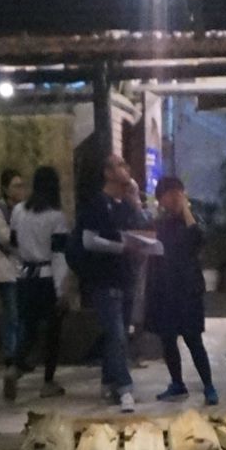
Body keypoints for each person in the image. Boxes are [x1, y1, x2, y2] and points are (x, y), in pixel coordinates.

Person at [73, 153, 150, 410]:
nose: (126, 168)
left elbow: (144, 226)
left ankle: (108, 381)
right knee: (116, 334)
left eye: (126, 165)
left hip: (126, 276)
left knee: (117, 334)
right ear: (107, 173)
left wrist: (135, 199)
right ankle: (125, 387)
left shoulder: (126, 204)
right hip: (104, 279)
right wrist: (121, 248)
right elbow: (88, 240)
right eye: (120, 165)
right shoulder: (97, 204)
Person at [145, 175, 218, 406]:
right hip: (164, 288)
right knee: (168, 338)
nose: (175, 198)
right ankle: (177, 383)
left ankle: (209, 385)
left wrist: (186, 210)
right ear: (161, 199)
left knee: (193, 339)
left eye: (178, 193)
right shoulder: (158, 224)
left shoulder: (192, 220)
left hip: (188, 289)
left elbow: (198, 238)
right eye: (170, 194)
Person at [4, 164, 70, 401]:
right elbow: (59, 255)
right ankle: (48, 382)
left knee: (28, 328)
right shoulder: (56, 217)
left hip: (24, 277)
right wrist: (61, 290)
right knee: (52, 333)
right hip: (46, 278)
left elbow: (13, 242)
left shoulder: (19, 211)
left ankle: (15, 367)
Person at [0, 167, 25, 366]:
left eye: (21, 186)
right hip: (6, 267)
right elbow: (4, 237)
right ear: (5, 188)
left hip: (22, 267)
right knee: (11, 313)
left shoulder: (23, 209)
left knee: (21, 313)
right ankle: (11, 353)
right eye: (15, 186)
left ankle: (20, 352)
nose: (20, 190)